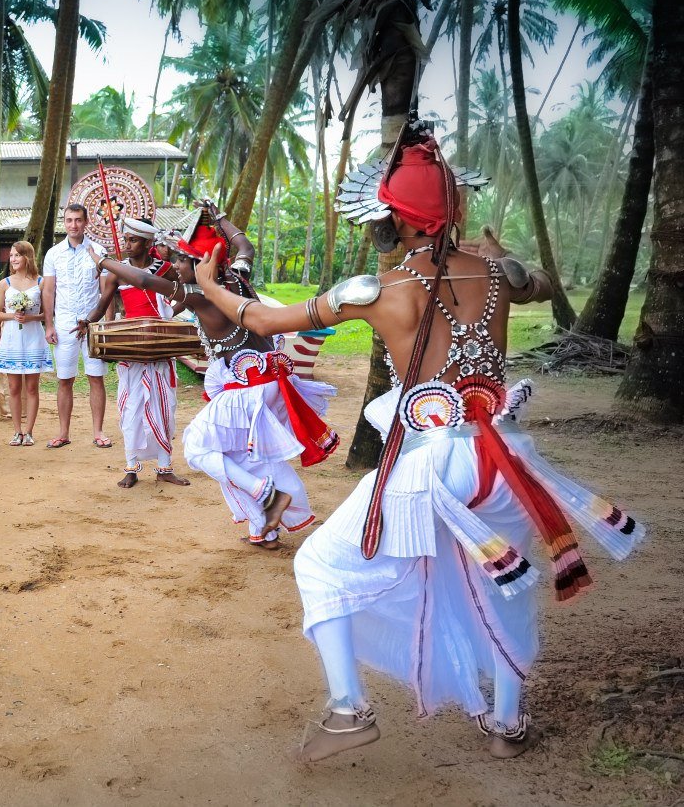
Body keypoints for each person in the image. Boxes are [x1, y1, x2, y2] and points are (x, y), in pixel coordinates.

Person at [194, 122, 645, 762]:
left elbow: (265, 320)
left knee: (318, 565)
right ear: (452, 210)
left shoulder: (381, 291)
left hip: (438, 463)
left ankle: (349, 708)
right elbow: (541, 281)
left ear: (388, 218)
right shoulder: (497, 275)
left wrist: (211, 288)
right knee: (505, 586)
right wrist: (496, 253)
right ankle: (508, 724)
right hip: (510, 459)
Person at [171, 204, 338, 547]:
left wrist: (103, 263)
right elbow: (245, 247)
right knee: (251, 454)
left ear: (202, 265)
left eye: (180, 260)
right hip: (271, 381)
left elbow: (144, 280)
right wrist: (220, 220)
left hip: (250, 387)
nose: (174, 267)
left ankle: (266, 494)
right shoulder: (238, 277)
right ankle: (264, 529)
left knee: (198, 447)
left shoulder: (201, 296)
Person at [72, 218, 190, 488]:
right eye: (125, 239)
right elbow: (102, 304)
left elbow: (186, 295)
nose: (126, 245)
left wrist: (169, 315)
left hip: (160, 348)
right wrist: (87, 321)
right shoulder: (118, 271)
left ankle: (164, 467)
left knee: (163, 407)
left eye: (133, 240)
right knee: (130, 407)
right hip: (130, 348)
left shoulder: (167, 269)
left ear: (149, 244)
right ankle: (131, 467)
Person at [42, 203, 111, 449]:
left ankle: (98, 431)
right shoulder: (53, 254)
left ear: (86, 222)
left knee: (96, 377)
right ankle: (63, 432)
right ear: (65, 222)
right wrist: (49, 325)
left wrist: (107, 325)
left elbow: (106, 292)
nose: (74, 225)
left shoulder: (98, 251)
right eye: (69, 220)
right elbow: (49, 291)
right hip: (63, 323)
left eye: (78, 220)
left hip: (93, 323)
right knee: (64, 379)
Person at [0, 240, 51, 445]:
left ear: (28, 257)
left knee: (32, 387)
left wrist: (31, 318)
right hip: (12, 340)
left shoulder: (41, 282)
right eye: (11, 256)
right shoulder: (5, 283)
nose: (13, 259)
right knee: (14, 387)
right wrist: (13, 317)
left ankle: (30, 431)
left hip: (33, 338)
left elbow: (47, 313)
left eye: (17, 255)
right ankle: (17, 431)